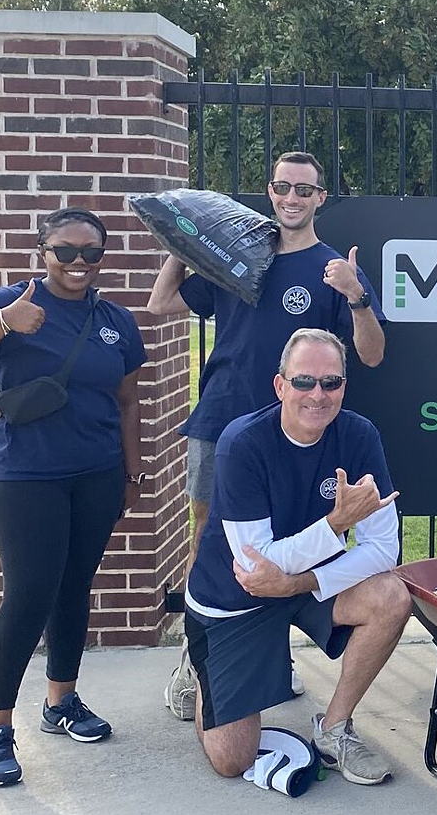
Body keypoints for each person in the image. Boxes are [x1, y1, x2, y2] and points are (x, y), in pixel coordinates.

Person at [149, 151, 386, 720]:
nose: (291, 198)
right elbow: (161, 304)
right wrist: (185, 245)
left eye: (304, 189)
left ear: (320, 198)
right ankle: (195, 662)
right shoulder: (237, 257)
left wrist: (355, 294)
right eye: (282, 188)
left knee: (288, 541)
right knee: (209, 540)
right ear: (270, 192)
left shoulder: (334, 270)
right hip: (220, 420)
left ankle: (273, 656)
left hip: (296, 431)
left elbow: (373, 355)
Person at [0, 208, 146, 787]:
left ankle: (61, 701)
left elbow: (127, 401)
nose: (78, 262)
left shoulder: (115, 320)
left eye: (91, 252)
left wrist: (131, 474)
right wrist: (4, 322)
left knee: (74, 588)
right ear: (42, 252)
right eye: (64, 251)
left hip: (96, 475)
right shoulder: (11, 304)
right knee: (28, 596)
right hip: (27, 477)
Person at [184, 328, 411, 786]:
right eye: (304, 381)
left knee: (392, 596)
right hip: (236, 598)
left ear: (344, 386)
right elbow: (256, 565)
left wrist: (300, 583)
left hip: (303, 585)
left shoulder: (360, 435)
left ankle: (334, 729)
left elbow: (385, 549)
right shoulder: (241, 441)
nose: (318, 394)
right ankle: (200, 667)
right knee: (232, 759)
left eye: (331, 382)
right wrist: (336, 524)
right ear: (280, 385)